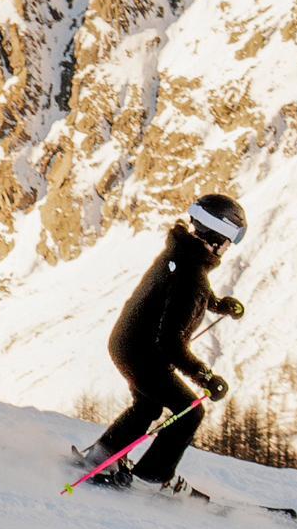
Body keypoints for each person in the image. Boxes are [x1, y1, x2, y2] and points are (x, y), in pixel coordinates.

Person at [82, 194, 246, 490]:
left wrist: (218, 305)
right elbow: (171, 343)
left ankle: (101, 455)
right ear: (216, 235)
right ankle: (152, 478)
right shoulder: (192, 275)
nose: (229, 246)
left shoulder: (180, 253)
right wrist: (205, 377)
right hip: (145, 352)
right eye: (231, 237)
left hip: (126, 342)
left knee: (149, 405)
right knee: (189, 411)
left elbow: (186, 294)